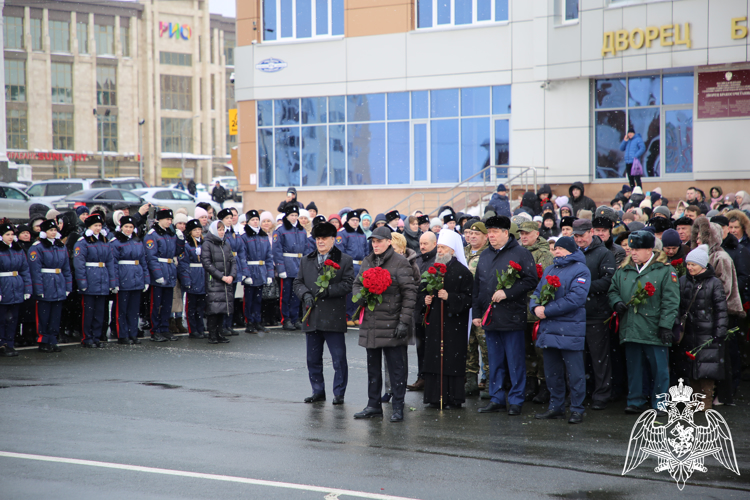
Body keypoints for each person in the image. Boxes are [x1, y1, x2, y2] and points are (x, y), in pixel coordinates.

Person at [608, 231, 680, 415]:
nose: (633, 252)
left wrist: (666, 325)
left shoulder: (664, 270)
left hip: (654, 327)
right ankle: (635, 400)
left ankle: (660, 403)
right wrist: (616, 302)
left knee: (660, 369)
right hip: (630, 326)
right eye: (631, 249)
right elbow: (613, 290)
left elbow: (671, 301)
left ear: (650, 250)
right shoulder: (624, 269)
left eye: (637, 249)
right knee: (634, 367)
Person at [472, 215, 538, 416]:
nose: (490, 236)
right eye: (489, 232)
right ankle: (497, 398)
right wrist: (476, 312)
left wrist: (508, 293)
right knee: (494, 361)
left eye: (494, 232)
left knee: (515, 361)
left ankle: (516, 400)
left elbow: (531, 280)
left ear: (505, 233)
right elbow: (478, 287)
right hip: (490, 318)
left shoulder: (520, 253)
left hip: (511, 317)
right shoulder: (484, 256)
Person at [352, 227, 416, 423]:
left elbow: (410, 294)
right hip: (372, 325)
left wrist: (403, 322)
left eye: (379, 241)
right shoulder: (368, 261)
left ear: (389, 241)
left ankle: (398, 407)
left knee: (397, 369)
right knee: (373, 368)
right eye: (373, 241)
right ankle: (373, 406)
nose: (376, 245)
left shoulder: (400, 262)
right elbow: (356, 285)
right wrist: (364, 294)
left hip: (392, 324)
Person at [530, 236, 591, 423]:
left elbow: (575, 299)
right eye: (555, 248)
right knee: (552, 372)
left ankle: (576, 409)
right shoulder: (550, 269)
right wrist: (534, 307)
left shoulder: (581, 270)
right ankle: (555, 406)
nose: (556, 251)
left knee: (575, 373)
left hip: (569, 329)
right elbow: (537, 292)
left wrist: (546, 311)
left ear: (571, 250)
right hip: (549, 329)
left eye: (561, 248)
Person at [294, 222, 354, 404]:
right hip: (312, 316)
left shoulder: (344, 260)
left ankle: (339, 393)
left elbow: (348, 284)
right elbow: (297, 282)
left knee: (338, 359)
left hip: (333, 316)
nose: (320, 242)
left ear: (333, 239)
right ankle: (318, 390)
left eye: (324, 238)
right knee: (313, 359)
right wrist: (305, 295)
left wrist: (328, 290)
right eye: (317, 238)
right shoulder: (307, 260)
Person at [422, 229, 473, 409]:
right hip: (435, 322)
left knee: (451, 359)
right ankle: (434, 397)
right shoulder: (433, 270)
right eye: (439, 247)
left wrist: (449, 297)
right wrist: (426, 299)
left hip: (454, 324)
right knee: (434, 358)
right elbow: (423, 290)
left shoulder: (463, 272)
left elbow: (468, 299)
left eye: (443, 248)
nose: (440, 251)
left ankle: (452, 398)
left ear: (452, 250)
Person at [677, 245, 728, 411]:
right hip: (689, 331)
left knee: (707, 368)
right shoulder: (684, 281)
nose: (690, 267)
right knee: (691, 367)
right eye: (688, 264)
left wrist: (720, 331)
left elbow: (721, 309)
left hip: (708, 332)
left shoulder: (714, 283)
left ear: (703, 265)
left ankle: (705, 400)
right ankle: (695, 398)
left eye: (693, 264)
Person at [572, 219, 615, 410]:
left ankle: (602, 394)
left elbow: (608, 281)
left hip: (596, 313)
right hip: (576, 313)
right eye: (575, 236)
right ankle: (582, 393)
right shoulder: (574, 252)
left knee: (599, 357)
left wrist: (582, 288)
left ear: (591, 232)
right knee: (578, 358)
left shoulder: (604, 253)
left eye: (581, 235)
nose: (578, 239)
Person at [517, 220, 554, 404]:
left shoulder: (544, 254)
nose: (523, 236)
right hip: (521, 310)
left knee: (540, 352)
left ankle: (545, 386)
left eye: (527, 233)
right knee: (526, 352)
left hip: (536, 310)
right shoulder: (518, 252)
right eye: (521, 233)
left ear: (536, 234)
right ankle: (530, 385)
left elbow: (545, 283)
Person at [28, 220, 71, 352]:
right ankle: (43, 339)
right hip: (46, 282)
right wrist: (39, 288)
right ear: (44, 232)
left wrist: (68, 286)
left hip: (58, 282)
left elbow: (66, 268)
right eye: (50, 230)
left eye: (55, 230)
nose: (53, 233)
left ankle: (52, 339)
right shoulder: (38, 247)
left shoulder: (60, 246)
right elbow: (35, 270)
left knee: (55, 314)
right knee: (44, 314)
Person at [74, 213, 116, 348]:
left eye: (99, 225)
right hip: (90, 278)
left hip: (102, 278)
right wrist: (83, 283)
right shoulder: (82, 242)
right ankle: (87, 337)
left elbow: (110, 262)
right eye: (95, 225)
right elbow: (79, 264)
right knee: (89, 312)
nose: (98, 228)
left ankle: (96, 337)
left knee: (99, 312)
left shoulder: (104, 242)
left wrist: (112, 282)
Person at [144, 209, 184, 342]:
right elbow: (151, 257)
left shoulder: (170, 233)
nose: (169, 222)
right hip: (160, 270)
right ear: (159, 220)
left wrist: (180, 239)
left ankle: (165, 328)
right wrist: (157, 274)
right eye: (167, 219)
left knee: (167, 304)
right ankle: (155, 330)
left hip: (169, 269)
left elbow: (177, 252)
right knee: (156, 304)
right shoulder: (153, 235)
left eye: (170, 220)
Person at [109, 216, 149, 345]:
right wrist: (114, 282)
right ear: (121, 227)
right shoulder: (115, 242)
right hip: (123, 279)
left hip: (136, 278)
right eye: (126, 226)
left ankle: (133, 334)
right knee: (122, 310)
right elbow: (113, 264)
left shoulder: (137, 241)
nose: (128, 229)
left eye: (131, 227)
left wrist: (146, 279)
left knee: (133, 310)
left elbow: (143, 261)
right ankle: (122, 334)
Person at [407, 231, 437, 392]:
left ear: (434, 243)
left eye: (426, 243)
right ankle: (422, 377)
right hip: (418, 310)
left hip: (432, 310)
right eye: (421, 243)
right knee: (421, 347)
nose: (422, 246)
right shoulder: (417, 260)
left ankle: (431, 377)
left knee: (432, 347)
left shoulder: (438, 260)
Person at [463, 221, 490, 396]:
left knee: (485, 346)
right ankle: (470, 382)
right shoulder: (463, 252)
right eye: (470, 233)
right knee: (468, 345)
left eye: (476, 234)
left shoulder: (488, 254)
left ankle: (488, 381)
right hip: (465, 307)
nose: (472, 236)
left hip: (481, 306)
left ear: (485, 236)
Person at [201, 220, 237, 344]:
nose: (221, 232)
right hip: (215, 281)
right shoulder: (207, 244)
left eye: (223, 229)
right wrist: (221, 276)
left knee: (222, 307)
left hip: (226, 280)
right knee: (214, 308)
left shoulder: (226, 244)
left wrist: (231, 275)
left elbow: (232, 261)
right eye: (219, 229)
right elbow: (207, 263)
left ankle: (219, 333)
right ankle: (212, 334)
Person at [0, 222, 32, 357]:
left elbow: (25, 269)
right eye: (7, 234)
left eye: (12, 234)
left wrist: (27, 289)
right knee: (2, 319)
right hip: (4, 285)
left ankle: (10, 343)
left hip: (16, 285)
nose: (10, 237)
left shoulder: (18, 249)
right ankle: (2, 344)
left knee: (13, 319)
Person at [273, 205, 308, 330]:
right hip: (287, 266)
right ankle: (285, 319)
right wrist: (280, 269)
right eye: (291, 215)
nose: (294, 218)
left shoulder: (302, 230)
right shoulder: (280, 231)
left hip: (299, 265)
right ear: (286, 217)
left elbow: (307, 249)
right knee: (285, 295)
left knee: (296, 295)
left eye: (295, 215)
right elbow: (277, 251)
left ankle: (295, 318)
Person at [240, 210, 274, 334]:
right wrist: (246, 274)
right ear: (248, 222)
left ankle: (257, 321)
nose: (255, 222)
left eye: (256, 219)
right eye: (252, 220)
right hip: (251, 270)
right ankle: (249, 322)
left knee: (259, 299)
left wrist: (269, 274)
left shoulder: (263, 236)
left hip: (261, 270)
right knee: (249, 299)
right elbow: (242, 257)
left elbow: (269, 257)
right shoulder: (244, 237)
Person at [335, 210, 368, 326]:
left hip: (360, 265)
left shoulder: (361, 234)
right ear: (348, 221)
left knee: (358, 291)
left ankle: (356, 314)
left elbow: (366, 252)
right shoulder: (342, 233)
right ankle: (347, 315)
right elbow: (340, 252)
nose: (355, 222)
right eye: (353, 220)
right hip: (349, 265)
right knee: (348, 292)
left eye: (357, 220)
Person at [178, 219, 207, 339]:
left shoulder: (205, 243)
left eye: (199, 230)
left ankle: (200, 328)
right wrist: (186, 280)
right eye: (195, 230)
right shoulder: (187, 245)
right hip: (193, 274)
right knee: (192, 307)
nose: (197, 232)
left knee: (201, 307)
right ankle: (192, 329)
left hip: (202, 274)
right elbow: (183, 264)